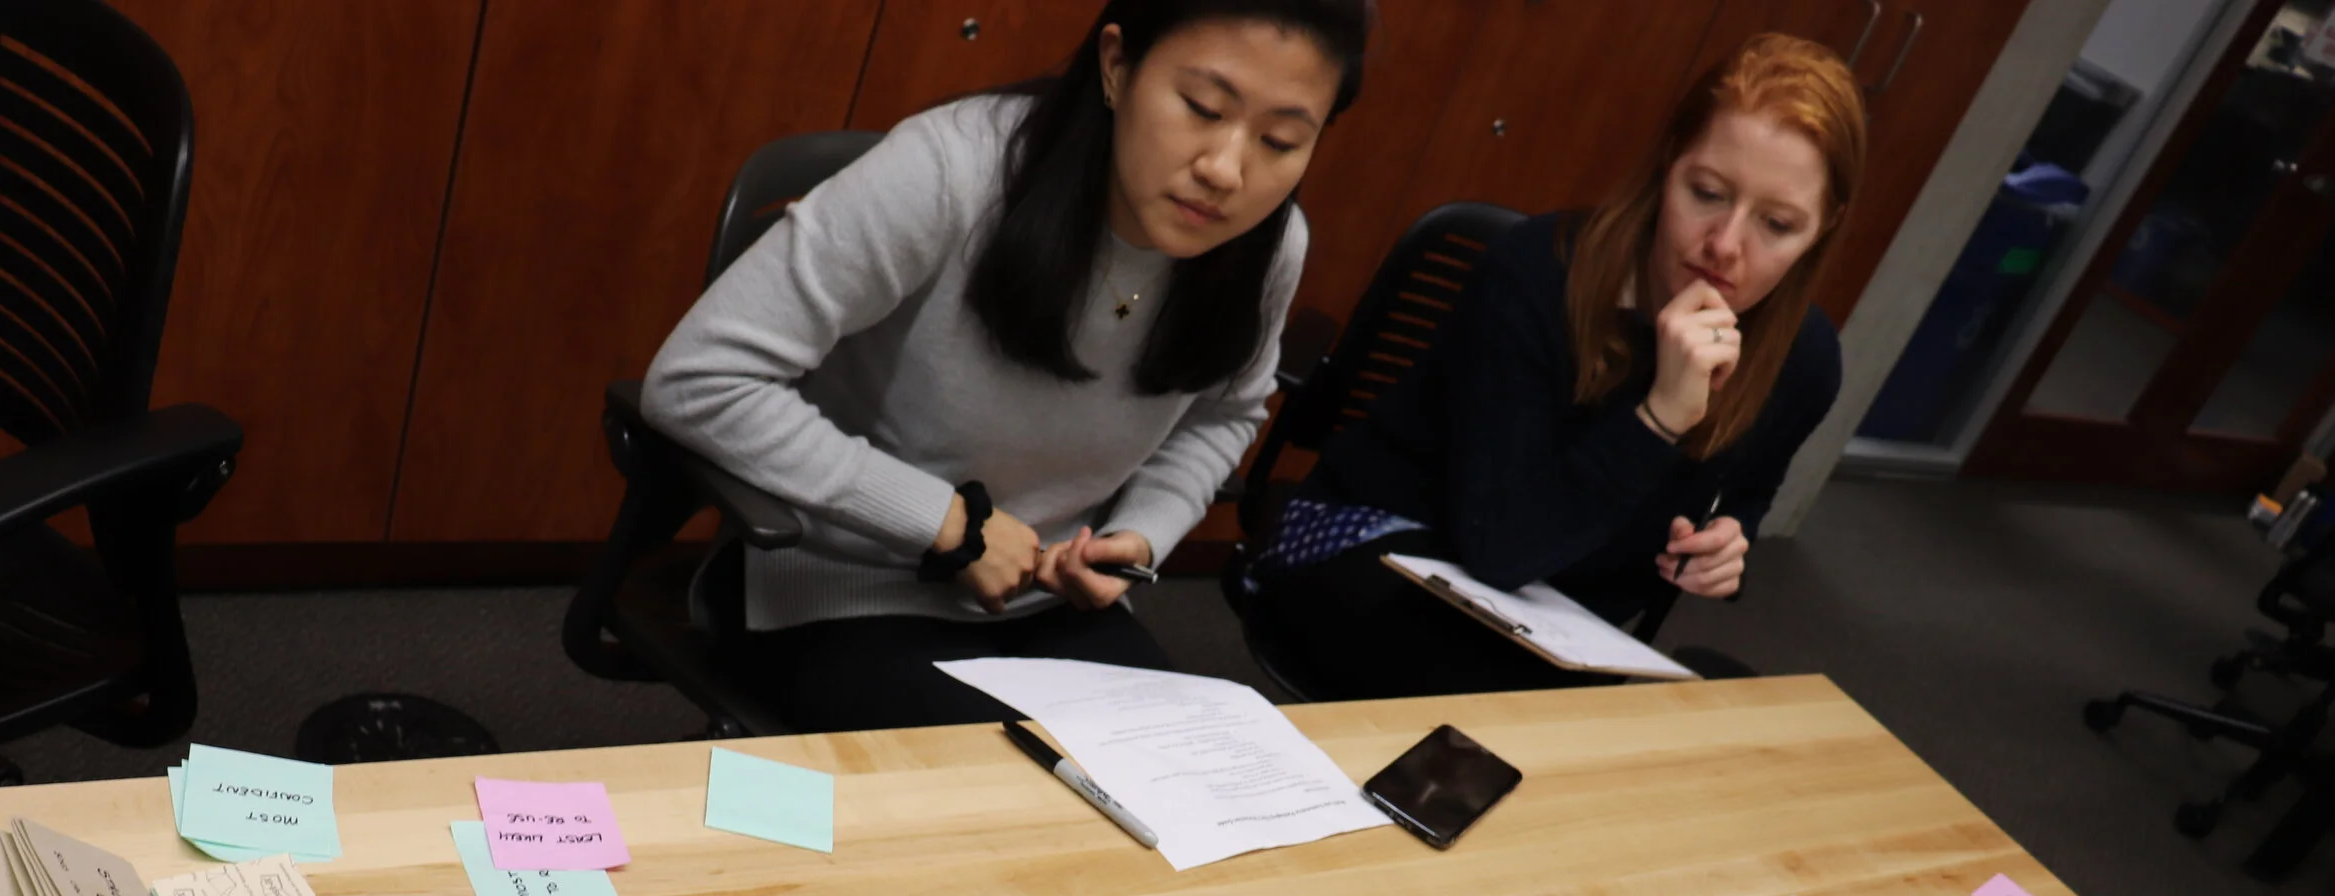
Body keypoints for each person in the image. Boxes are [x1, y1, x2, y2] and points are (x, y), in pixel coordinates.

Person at [643, 0, 1370, 732]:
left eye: (1279, 141)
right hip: (836, 589)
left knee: (1194, 766)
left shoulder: (1266, 246)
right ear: (1117, 66)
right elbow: (701, 379)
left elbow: (1223, 414)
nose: (1225, 170)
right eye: (1202, 108)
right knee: (1004, 787)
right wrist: (947, 523)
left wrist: (1143, 532)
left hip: (1047, 601)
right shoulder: (951, 170)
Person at [1239, 33, 1862, 700]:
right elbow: (1498, 546)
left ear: (1821, 229)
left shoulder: (1805, 360)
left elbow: (1744, 494)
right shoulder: (1536, 275)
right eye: (1706, 192)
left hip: (1558, 618)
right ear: (1667, 166)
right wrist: (1659, 419)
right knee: (1500, 719)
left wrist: (1726, 542)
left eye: (1777, 224)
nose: (1726, 245)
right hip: (1381, 539)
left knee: (1590, 732)